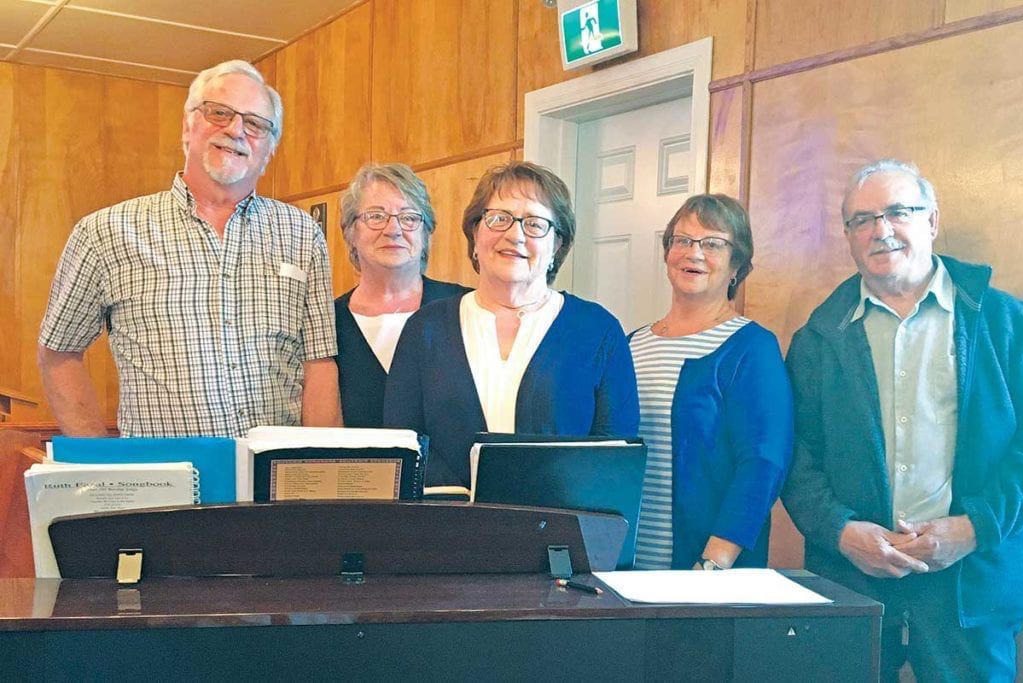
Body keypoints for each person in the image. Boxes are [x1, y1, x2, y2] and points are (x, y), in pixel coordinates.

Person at [782, 159, 1023, 681]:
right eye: (862, 219)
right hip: (852, 582)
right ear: (848, 236)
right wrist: (841, 532)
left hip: (970, 583)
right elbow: (797, 457)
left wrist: (975, 528)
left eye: (898, 212)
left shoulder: (1005, 325)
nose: (880, 230)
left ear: (932, 221)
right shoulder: (819, 338)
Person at [37, 60, 340, 438]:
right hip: (168, 486)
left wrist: (319, 473)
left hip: (272, 483)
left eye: (256, 124)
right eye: (219, 113)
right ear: (188, 125)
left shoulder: (302, 233)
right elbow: (59, 352)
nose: (236, 130)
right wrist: (102, 465)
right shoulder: (105, 232)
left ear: (270, 149)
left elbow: (319, 360)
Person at [384, 161, 639, 487]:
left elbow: (614, 457)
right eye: (499, 218)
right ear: (475, 234)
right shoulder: (425, 329)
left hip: (560, 532)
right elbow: (404, 443)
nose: (515, 234)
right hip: (447, 528)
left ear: (556, 245)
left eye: (535, 223)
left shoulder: (598, 330)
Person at [629, 194, 792, 571]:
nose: (694, 253)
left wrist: (714, 562)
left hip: (705, 569)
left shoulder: (752, 347)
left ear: (737, 265)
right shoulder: (631, 344)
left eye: (713, 244)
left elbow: (764, 463)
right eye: (682, 240)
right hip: (624, 563)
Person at [334, 163, 469, 427]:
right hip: (359, 469)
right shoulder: (328, 323)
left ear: (426, 232)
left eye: (409, 217)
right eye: (375, 216)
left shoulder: (465, 308)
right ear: (350, 233)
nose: (393, 229)